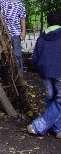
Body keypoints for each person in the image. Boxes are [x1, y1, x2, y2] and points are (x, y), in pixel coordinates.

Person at [27, 10, 61, 138]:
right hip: (59, 71)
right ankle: (37, 126)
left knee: (52, 98)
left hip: (45, 72)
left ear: (47, 22)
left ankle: (57, 129)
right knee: (59, 101)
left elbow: (35, 56)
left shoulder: (42, 36)